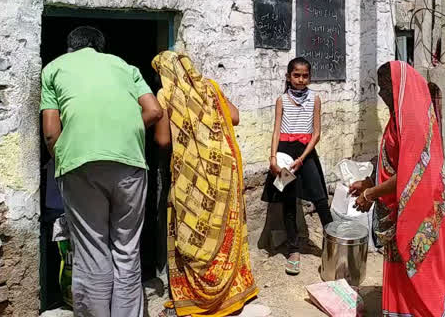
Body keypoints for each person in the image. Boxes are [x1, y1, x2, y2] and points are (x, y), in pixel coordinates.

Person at [40, 26, 164, 317]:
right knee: (126, 249)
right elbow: (154, 110)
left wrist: (65, 160)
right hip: (130, 163)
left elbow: (50, 132)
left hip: (80, 165)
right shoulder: (124, 66)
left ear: (71, 48)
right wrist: (127, 132)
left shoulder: (54, 68)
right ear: (100, 48)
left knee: (92, 250)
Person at [151, 51, 257, 317]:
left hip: (191, 175)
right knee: (223, 228)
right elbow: (234, 116)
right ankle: (230, 287)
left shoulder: (165, 96)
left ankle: (199, 294)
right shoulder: (210, 87)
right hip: (225, 170)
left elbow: (163, 141)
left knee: (193, 234)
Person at [350, 61, 445, 316]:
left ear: (401, 87)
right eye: (380, 87)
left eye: (387, 87)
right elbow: (392, 160)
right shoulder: (398, 119)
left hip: (421, 215)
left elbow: (412, 172)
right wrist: (370, 182)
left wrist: (371, 194)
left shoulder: (413, 120)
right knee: (402, 276)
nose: (382, 94)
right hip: (401, 209)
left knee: (423, 278)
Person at [261, 57, 332, 275]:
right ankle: (293, 250)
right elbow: (276, 130)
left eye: (305, 75)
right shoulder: (281, 99)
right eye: (296, 75)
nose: (301, 80)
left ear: (310, 77)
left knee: (320, 199)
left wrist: (302, 157)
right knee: (288, 201)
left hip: (306, 153)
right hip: (283, 154)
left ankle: (333, 245)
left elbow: (316, 132)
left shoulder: (315, 98)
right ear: (289, 76)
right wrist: (273, 158)